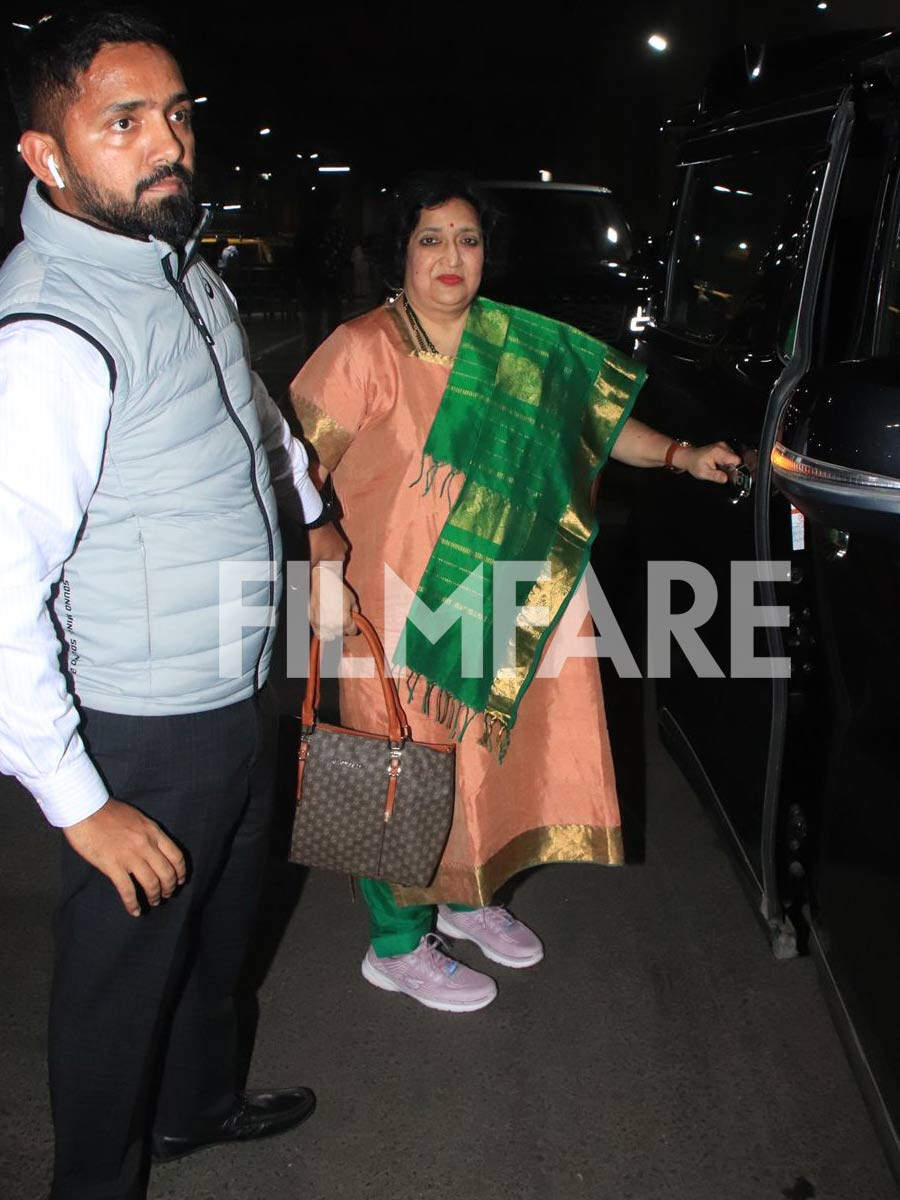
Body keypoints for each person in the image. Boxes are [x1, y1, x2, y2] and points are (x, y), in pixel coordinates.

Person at [0, 10, 353, 1199]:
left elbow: (242, 406)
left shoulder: (174, 262)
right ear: (47, 155)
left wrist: (308, 506)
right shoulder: (53, 328)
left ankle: (194, 1108)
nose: (170, 143)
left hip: (234, 680)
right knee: (120, 976)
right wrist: (81, 804)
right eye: (125, 121)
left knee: (217, 928)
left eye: (179, 114)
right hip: (143, 726)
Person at [289, 172, 739, 1013]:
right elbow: (291, 471)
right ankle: (394, 945)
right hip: (391, 605)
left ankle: (465, 896)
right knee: (401, 769)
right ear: (402, 255)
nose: (451, 258)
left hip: (500, 591)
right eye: (431, 239)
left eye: (468, 239)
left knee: (486, 757)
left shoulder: (521, 345)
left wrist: (681, 455)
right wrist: (316, 569)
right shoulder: (363, 349)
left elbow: (594, 429)